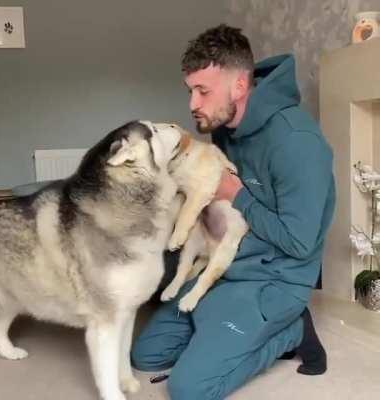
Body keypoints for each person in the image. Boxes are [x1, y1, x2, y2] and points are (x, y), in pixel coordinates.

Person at [132, 24, 335, 400]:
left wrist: (236, 193)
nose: (193, 103)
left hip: (275, 281)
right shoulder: (226, 127)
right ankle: (218, 330)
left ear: (240, 86)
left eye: (202, 91)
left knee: (189, 389)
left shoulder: (297, 143)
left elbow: (300, 242)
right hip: (226, 266)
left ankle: (292, 331)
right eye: (190, 90)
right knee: (145, 356)